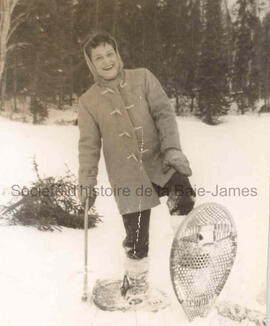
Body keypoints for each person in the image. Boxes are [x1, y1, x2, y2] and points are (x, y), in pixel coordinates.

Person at [78, 31, 195, 310]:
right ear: (91, 64)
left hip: (160, 161)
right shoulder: (88, 101)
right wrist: (86, 184)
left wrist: (172, 150)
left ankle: (191, 255)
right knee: (137, 235)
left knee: (183, 195)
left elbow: (164, 114)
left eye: (110, 53)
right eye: (99, 57)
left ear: (118, 54)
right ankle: (136, 285)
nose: (107, 61)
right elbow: (88, 146)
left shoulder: (143, 77)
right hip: (127, 175)